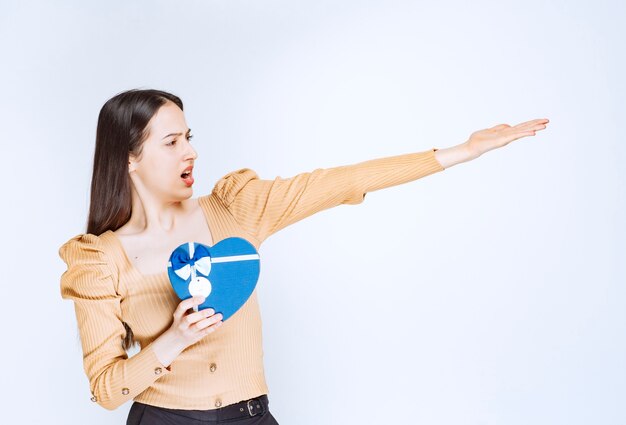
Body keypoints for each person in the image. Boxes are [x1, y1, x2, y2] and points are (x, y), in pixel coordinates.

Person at [59, 88, 549, 424]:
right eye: (171, 142)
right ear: (128, 157)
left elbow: (340, 182)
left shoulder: (237, 208)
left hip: (249, 415)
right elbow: (106, 389)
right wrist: (173, 340)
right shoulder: (99, 261)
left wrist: (460, 151)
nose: (190, 152)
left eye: (190, 137)